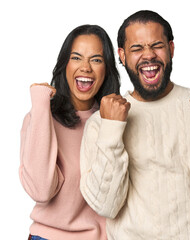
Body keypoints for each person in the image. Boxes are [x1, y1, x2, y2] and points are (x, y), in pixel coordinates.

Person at [80, 11, 190, 240]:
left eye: (157, 45)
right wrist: (112, 129)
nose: (148, 55)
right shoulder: (102, 122)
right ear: (122, 55)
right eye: (137, 48)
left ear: (171, 49)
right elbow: (106, 206)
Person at [19, 24, 120, 240]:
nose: (86, 67)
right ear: (64, 65)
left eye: (96, 59)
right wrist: (40, 102)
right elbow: (41, 190)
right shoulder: (41, 119)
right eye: (76, 57)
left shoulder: (114, 123)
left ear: (107, 69)